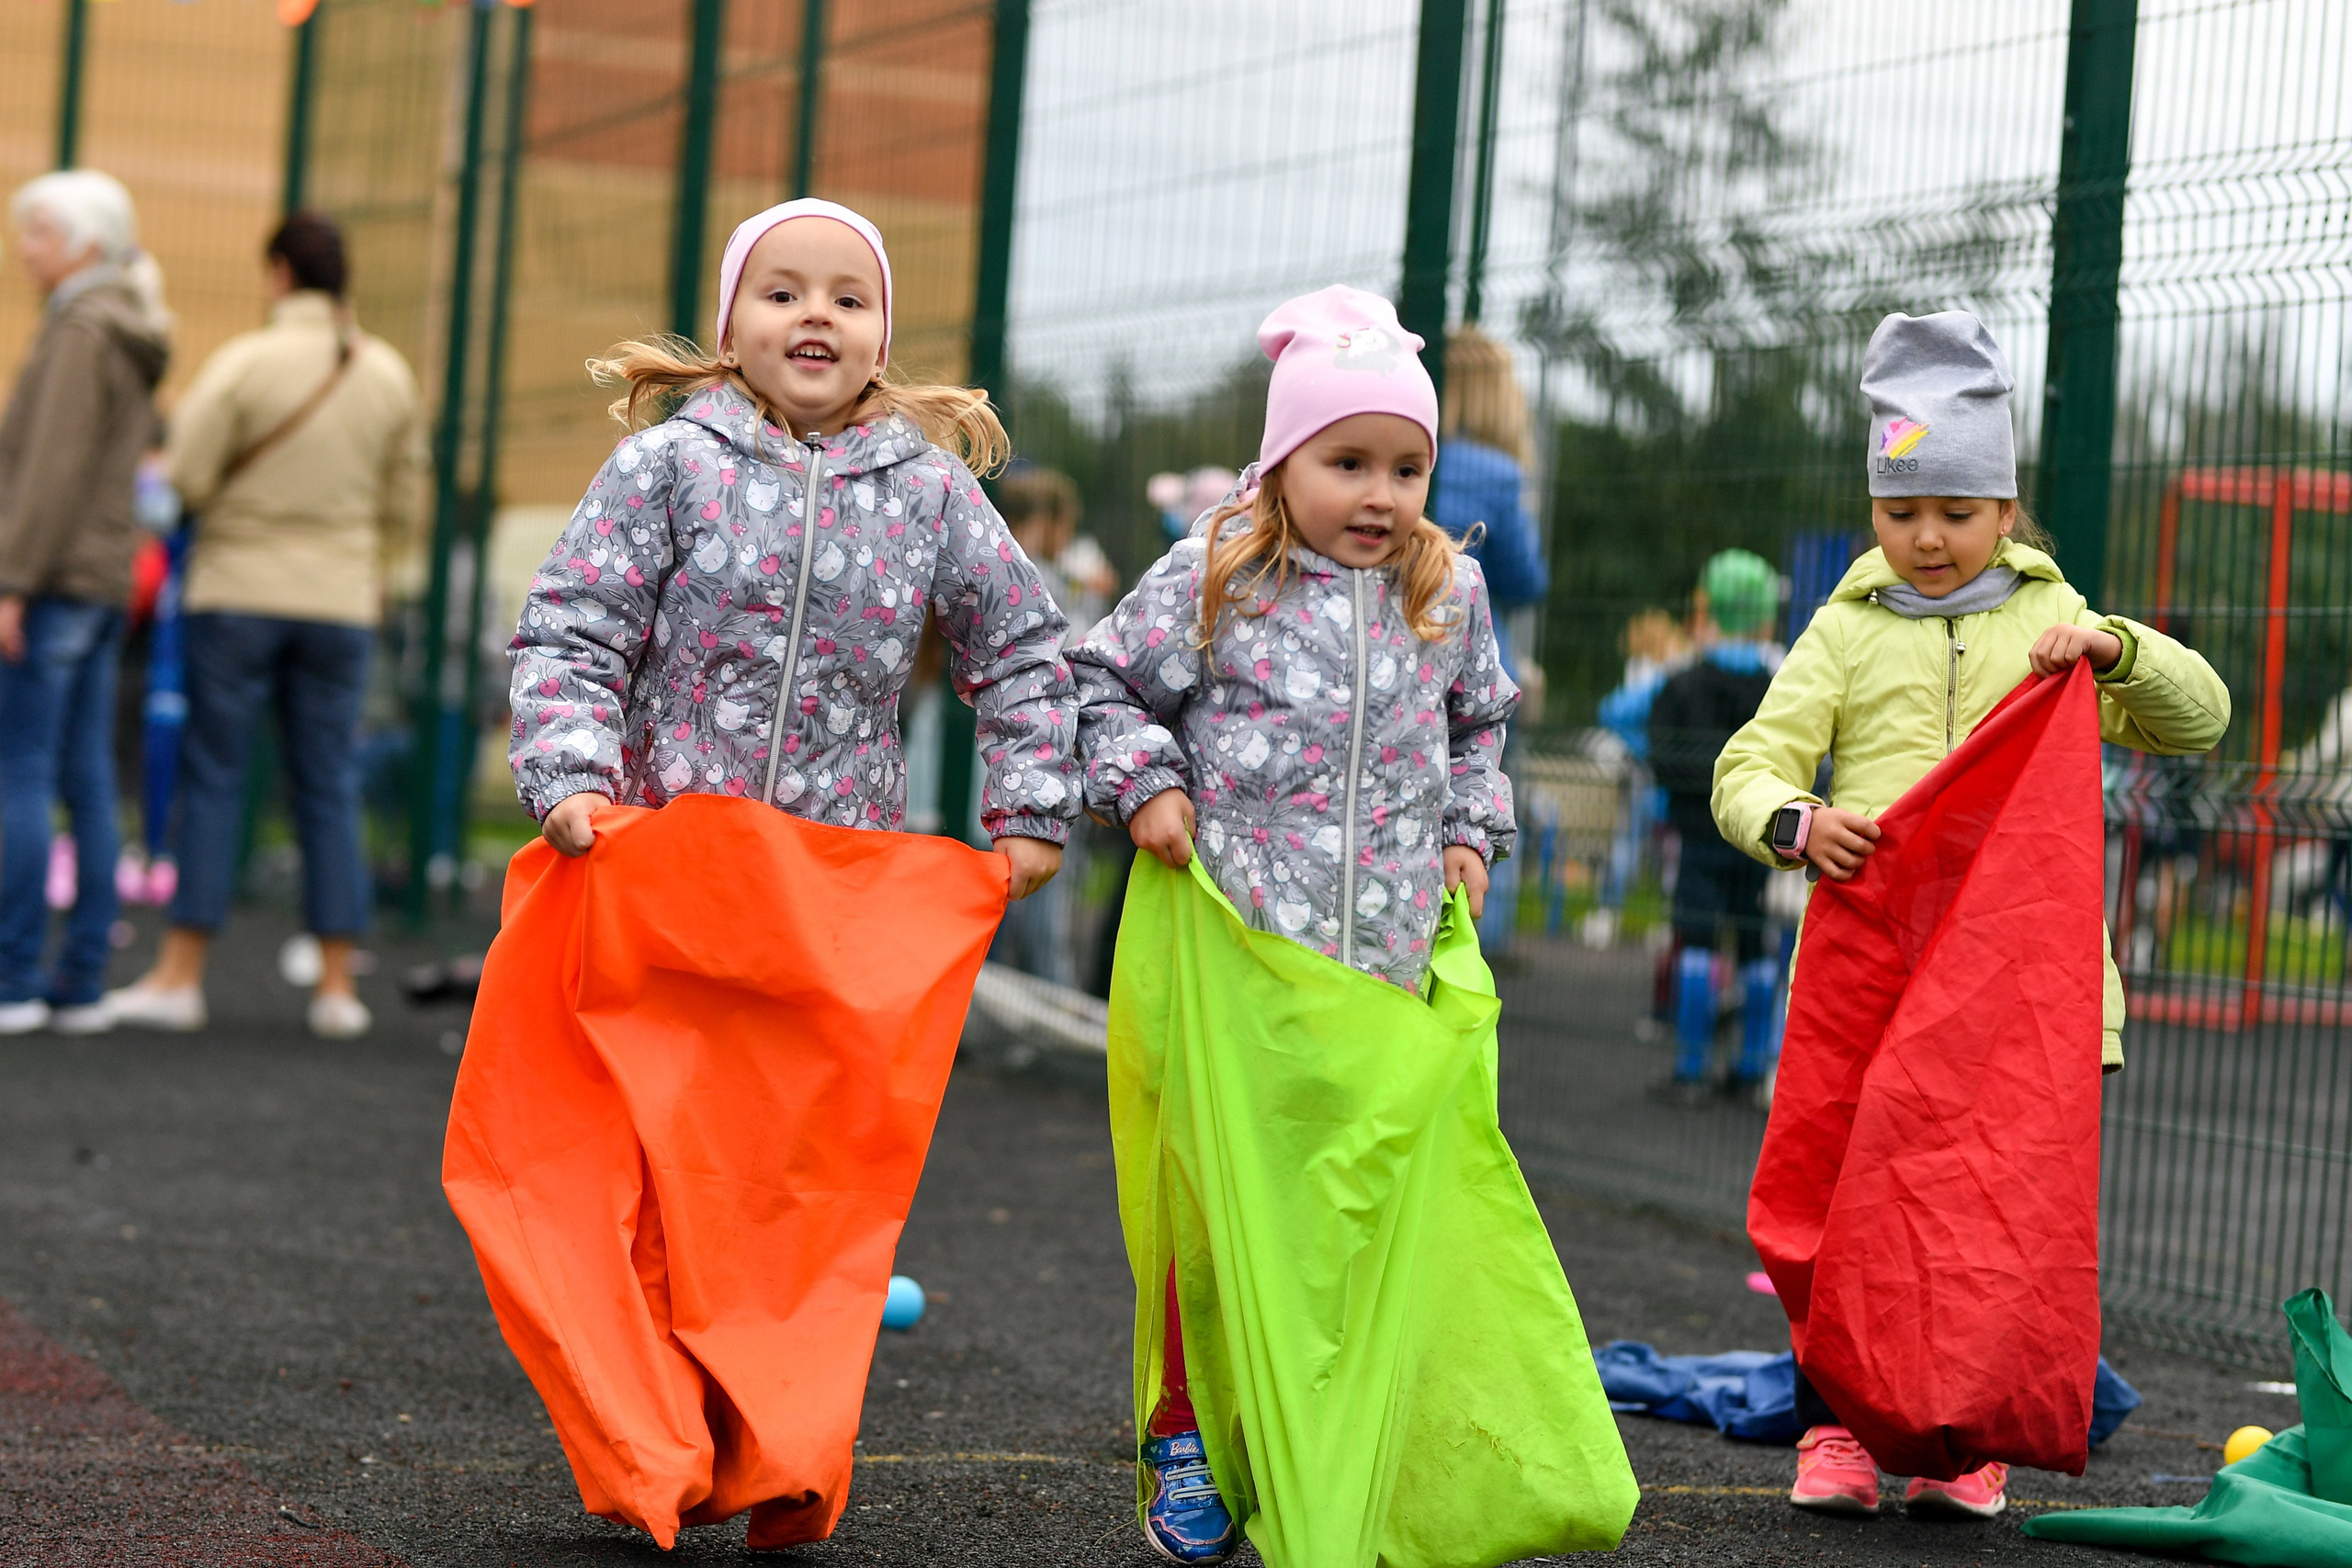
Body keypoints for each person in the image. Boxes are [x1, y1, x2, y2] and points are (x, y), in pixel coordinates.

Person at [1713, 310, 2230, 1520]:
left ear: (2006, 508)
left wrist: (2118, 651)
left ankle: (1966, 1438)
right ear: (1874, 511)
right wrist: (1794, 820)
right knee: (1839, 1209)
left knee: (1988, 1214)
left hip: (2019, 993)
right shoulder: (1843, 631)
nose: (1927, 537)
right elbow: (1750, 762)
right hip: (1870, 981)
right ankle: (1837, 1422)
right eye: (1902, 512)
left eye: (1955, 508)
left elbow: (2198, 718)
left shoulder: (2055, 629)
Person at [1074, 287, 1522, 1562]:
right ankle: (1184, 1433)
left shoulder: (1447, 589)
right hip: (1241, 962)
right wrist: (1148, 779)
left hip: (1377, 971)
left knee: (1346, 1217)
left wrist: (1467, 830)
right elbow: (1102, 679)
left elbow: (1482, 723)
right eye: (1347, 462)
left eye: (1406, 466)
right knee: (1214, 1211)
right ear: (1282, 461)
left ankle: (1315, 1434)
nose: (1379, 494)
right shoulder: (1221, 567)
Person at [107, 212, 424, 1041]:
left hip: (238, 591)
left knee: (215, 775)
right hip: (341, 603)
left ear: (280, 271)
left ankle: (181, 976)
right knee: (327, 780)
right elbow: (405, 501)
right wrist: (365, 559)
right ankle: (333, 987)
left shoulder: (243, 363)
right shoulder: (387, 372)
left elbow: (187, 475)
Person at [0, 171, 170, 1035]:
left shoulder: (79, 329)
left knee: (19, 771)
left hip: (56, 577)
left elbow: (46, 470)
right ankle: (78, 979)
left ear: (84, 245)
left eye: (37, 233)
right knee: (88, 777)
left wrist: (12, 580)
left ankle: (13, 978)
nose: (23, 248)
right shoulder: (132, 327)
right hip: (105, 578)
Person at [1647, 548, 1782, 1099]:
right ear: (1767, 616)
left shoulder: (1680, 686)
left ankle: (1691, 1067)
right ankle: (1751, 1068)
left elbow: (1662, 756)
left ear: (1708, 609)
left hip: (1700, 836)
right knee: (1755, 942)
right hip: (1756, 840)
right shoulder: (1778, 687)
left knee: (1697, 941)